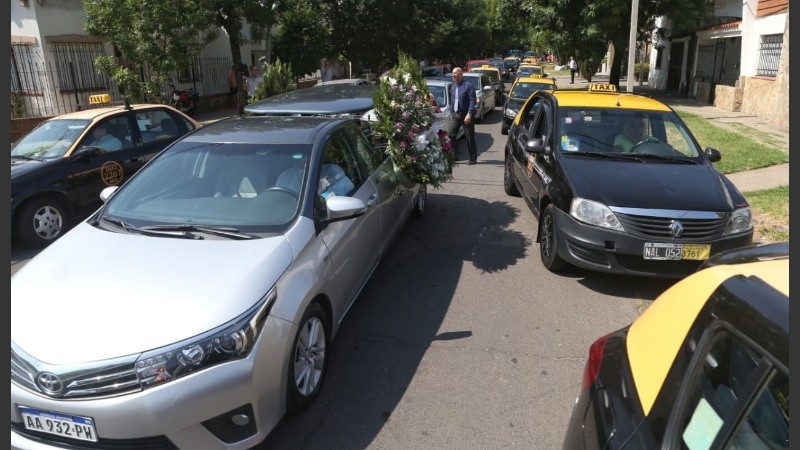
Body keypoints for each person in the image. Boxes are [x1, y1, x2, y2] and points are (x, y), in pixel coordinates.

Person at [444, 67, 478, 165]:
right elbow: (452, 101)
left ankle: (473, 158)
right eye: (452, 73)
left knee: (469, 136)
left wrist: (470, 114)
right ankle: (455, 154)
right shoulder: (453, 87)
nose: (452, 75)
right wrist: (451, 113)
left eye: (455, 73)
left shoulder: (468, 86)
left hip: (467, 114)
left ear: (460, 74)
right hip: (456, 114)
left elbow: (472, 100)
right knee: (451, 134)